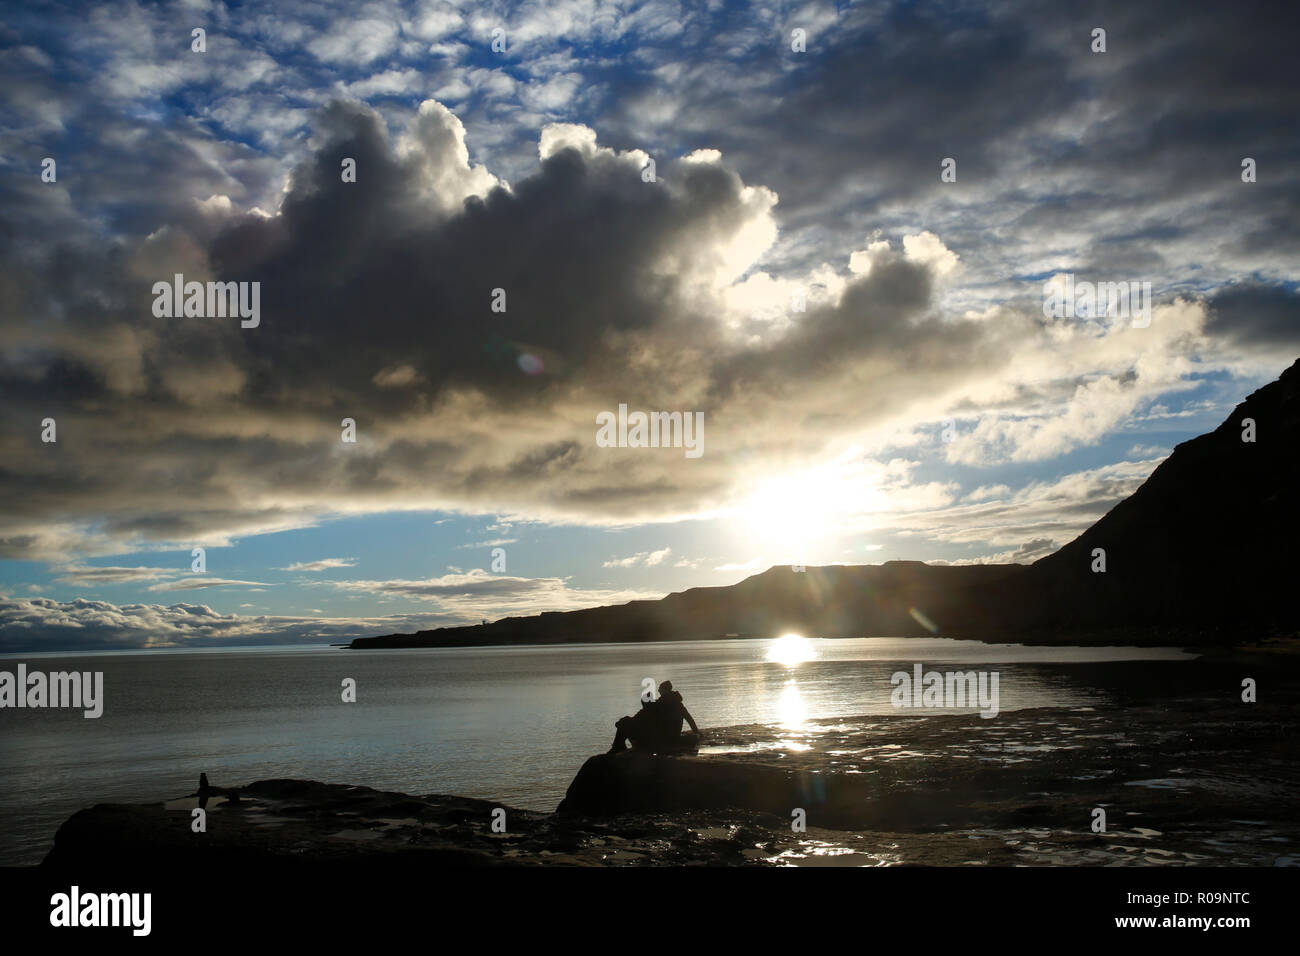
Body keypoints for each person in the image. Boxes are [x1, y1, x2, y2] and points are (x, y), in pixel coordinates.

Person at [608, 680, 700, 754]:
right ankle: (619, 746)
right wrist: (696, 731)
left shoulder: (659, 705)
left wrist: (621, 723)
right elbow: (689, 719)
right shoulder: (677, 704)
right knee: (626, 722)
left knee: (625, 722)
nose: (658, 691)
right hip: (668, 737)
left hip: (660, 740)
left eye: (660, 689)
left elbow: (638, 720)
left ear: (664, 690)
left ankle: (618, 747)